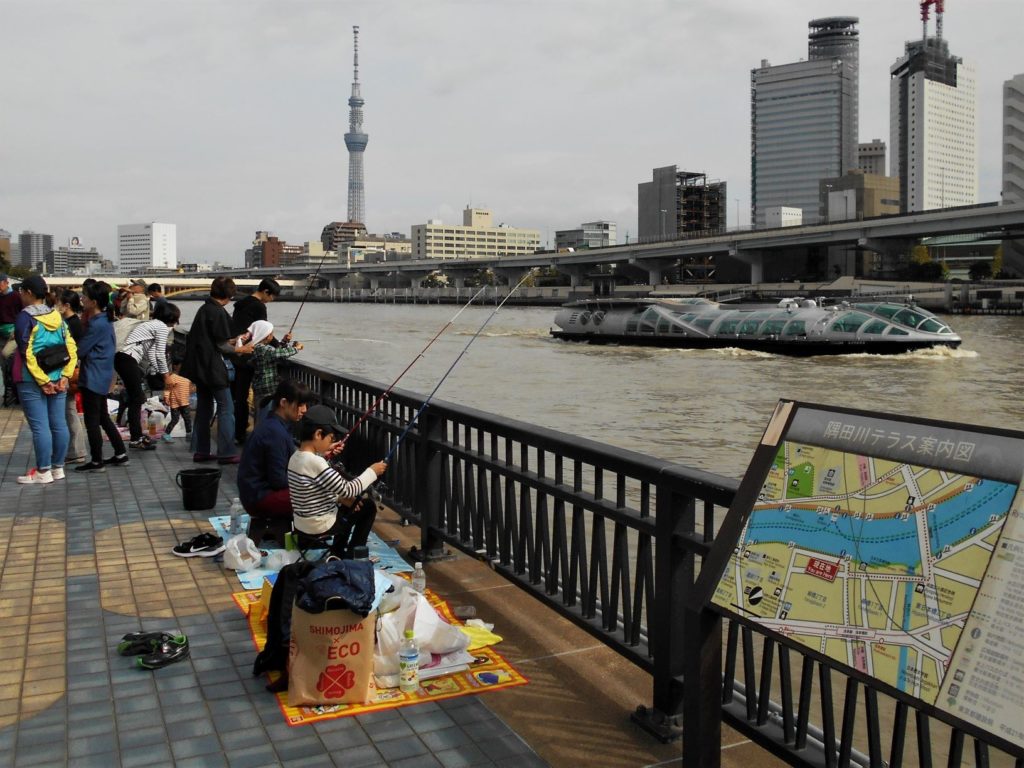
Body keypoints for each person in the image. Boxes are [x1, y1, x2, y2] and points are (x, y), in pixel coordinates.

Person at [288, 404, 387, 557]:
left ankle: (338, 551)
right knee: (368, 507)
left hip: (301, 523)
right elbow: (349, 489)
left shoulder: (295, 457)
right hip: (320, 525)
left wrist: (325, 451)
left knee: (351, 505)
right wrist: (372, 471)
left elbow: (314, 487)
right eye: (331, 438)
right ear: (318, 434)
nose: (331, 442)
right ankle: (354, 555)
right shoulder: (316, 463)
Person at [11, 274, 78, 484]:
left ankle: (43, 471)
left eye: (21, 291)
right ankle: (58, 468)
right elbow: (71, 348)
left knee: (40, 426)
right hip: (58, 376)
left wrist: (41, 380)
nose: (20, 295)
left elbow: (26, 352)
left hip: (31, 379)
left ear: (29, 293)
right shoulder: (57, 316)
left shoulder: (25, 317)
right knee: (58, 423)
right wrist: (65, 375)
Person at [180, 277, 254, 464]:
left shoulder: (204, 309)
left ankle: (201, 450)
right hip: (212, 369)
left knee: (204, 408)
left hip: (198, 368)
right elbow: (221, 345)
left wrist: (232, 342)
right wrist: (241, 348)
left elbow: (213, 340)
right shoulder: (218, 312)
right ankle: (227, 452)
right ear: (229, 295)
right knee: (226, 408)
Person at [236, 378, 315, 520]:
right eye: (300, 404)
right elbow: (278, 481)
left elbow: (290, 461)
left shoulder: (274, 424)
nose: (304, 410)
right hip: (259, 498)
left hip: (253, 493)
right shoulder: (275, 432)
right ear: (283, 403)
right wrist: (309, 481)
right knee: (316, 495)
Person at [75, 281, 129, 472]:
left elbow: (80, 350)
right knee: (103, 417)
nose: (82, 298)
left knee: (92, 421)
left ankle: (97, 460)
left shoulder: (96, 324)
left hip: (93, 376)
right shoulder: (105, 320)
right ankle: (120, 452)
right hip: (103, 374)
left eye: (85, 296)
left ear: (94, 301)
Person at [114, 302, 180, 450]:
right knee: (137, 398)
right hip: (127, 358)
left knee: (135, 398)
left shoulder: (152, 324)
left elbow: (151, 353)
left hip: (122, 358)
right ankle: (136, 439)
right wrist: (166, 376)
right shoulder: (161, 327)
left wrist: (159, 371)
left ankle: (136, 436)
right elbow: (160, 354)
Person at [230, 278, 286, 445]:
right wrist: (280, 347)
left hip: (237, 354)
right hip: (251, 356)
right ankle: (259, 434)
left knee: (239, 397)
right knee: (260, 396)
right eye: (272, 296)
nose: (272, 300)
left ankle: (238, 432)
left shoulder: (240, 304)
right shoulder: (259, 306)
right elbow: (264, 333)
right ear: (266, 292)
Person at [240, 320, 303, 415]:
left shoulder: (256, 347)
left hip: (259, 387)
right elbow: (279, 353)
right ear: (267, 335)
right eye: (271, 334)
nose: (272, 336)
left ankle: (260, 428)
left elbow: (274, 352)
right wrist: (296, 348)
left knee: (260, 413)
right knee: (266, 414)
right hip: (267, 389)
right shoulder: (263, 349)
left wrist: (284, 341)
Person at [56, 289, 87, 463]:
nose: (56, 305)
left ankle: (76, 451)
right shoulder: (72, 321)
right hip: (70, 370)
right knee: (69, 411)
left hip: (69, 371)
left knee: (69, 411)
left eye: (59, 302)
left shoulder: (72, 324)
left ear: (67, 305)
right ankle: (74, 450)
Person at [0, 273, 23, 406]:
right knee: (3, 366)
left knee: (8, 358)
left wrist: (17, 329)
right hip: (1, 333)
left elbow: (22, 312)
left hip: (13, 333)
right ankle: (8, 394)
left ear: (5, 283)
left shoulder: (15, 296)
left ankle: (15, 392)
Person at [161, 360, 193, 443]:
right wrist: (166, 398)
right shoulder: (172, 377)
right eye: (181, 365)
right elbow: (167, 389)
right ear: (175, 366)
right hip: (175, 403)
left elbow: (190, 388)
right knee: (175, 419)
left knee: (187, 419)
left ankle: (189, 435)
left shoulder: (187, 377)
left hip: (185, 402)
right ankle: (166, 434)